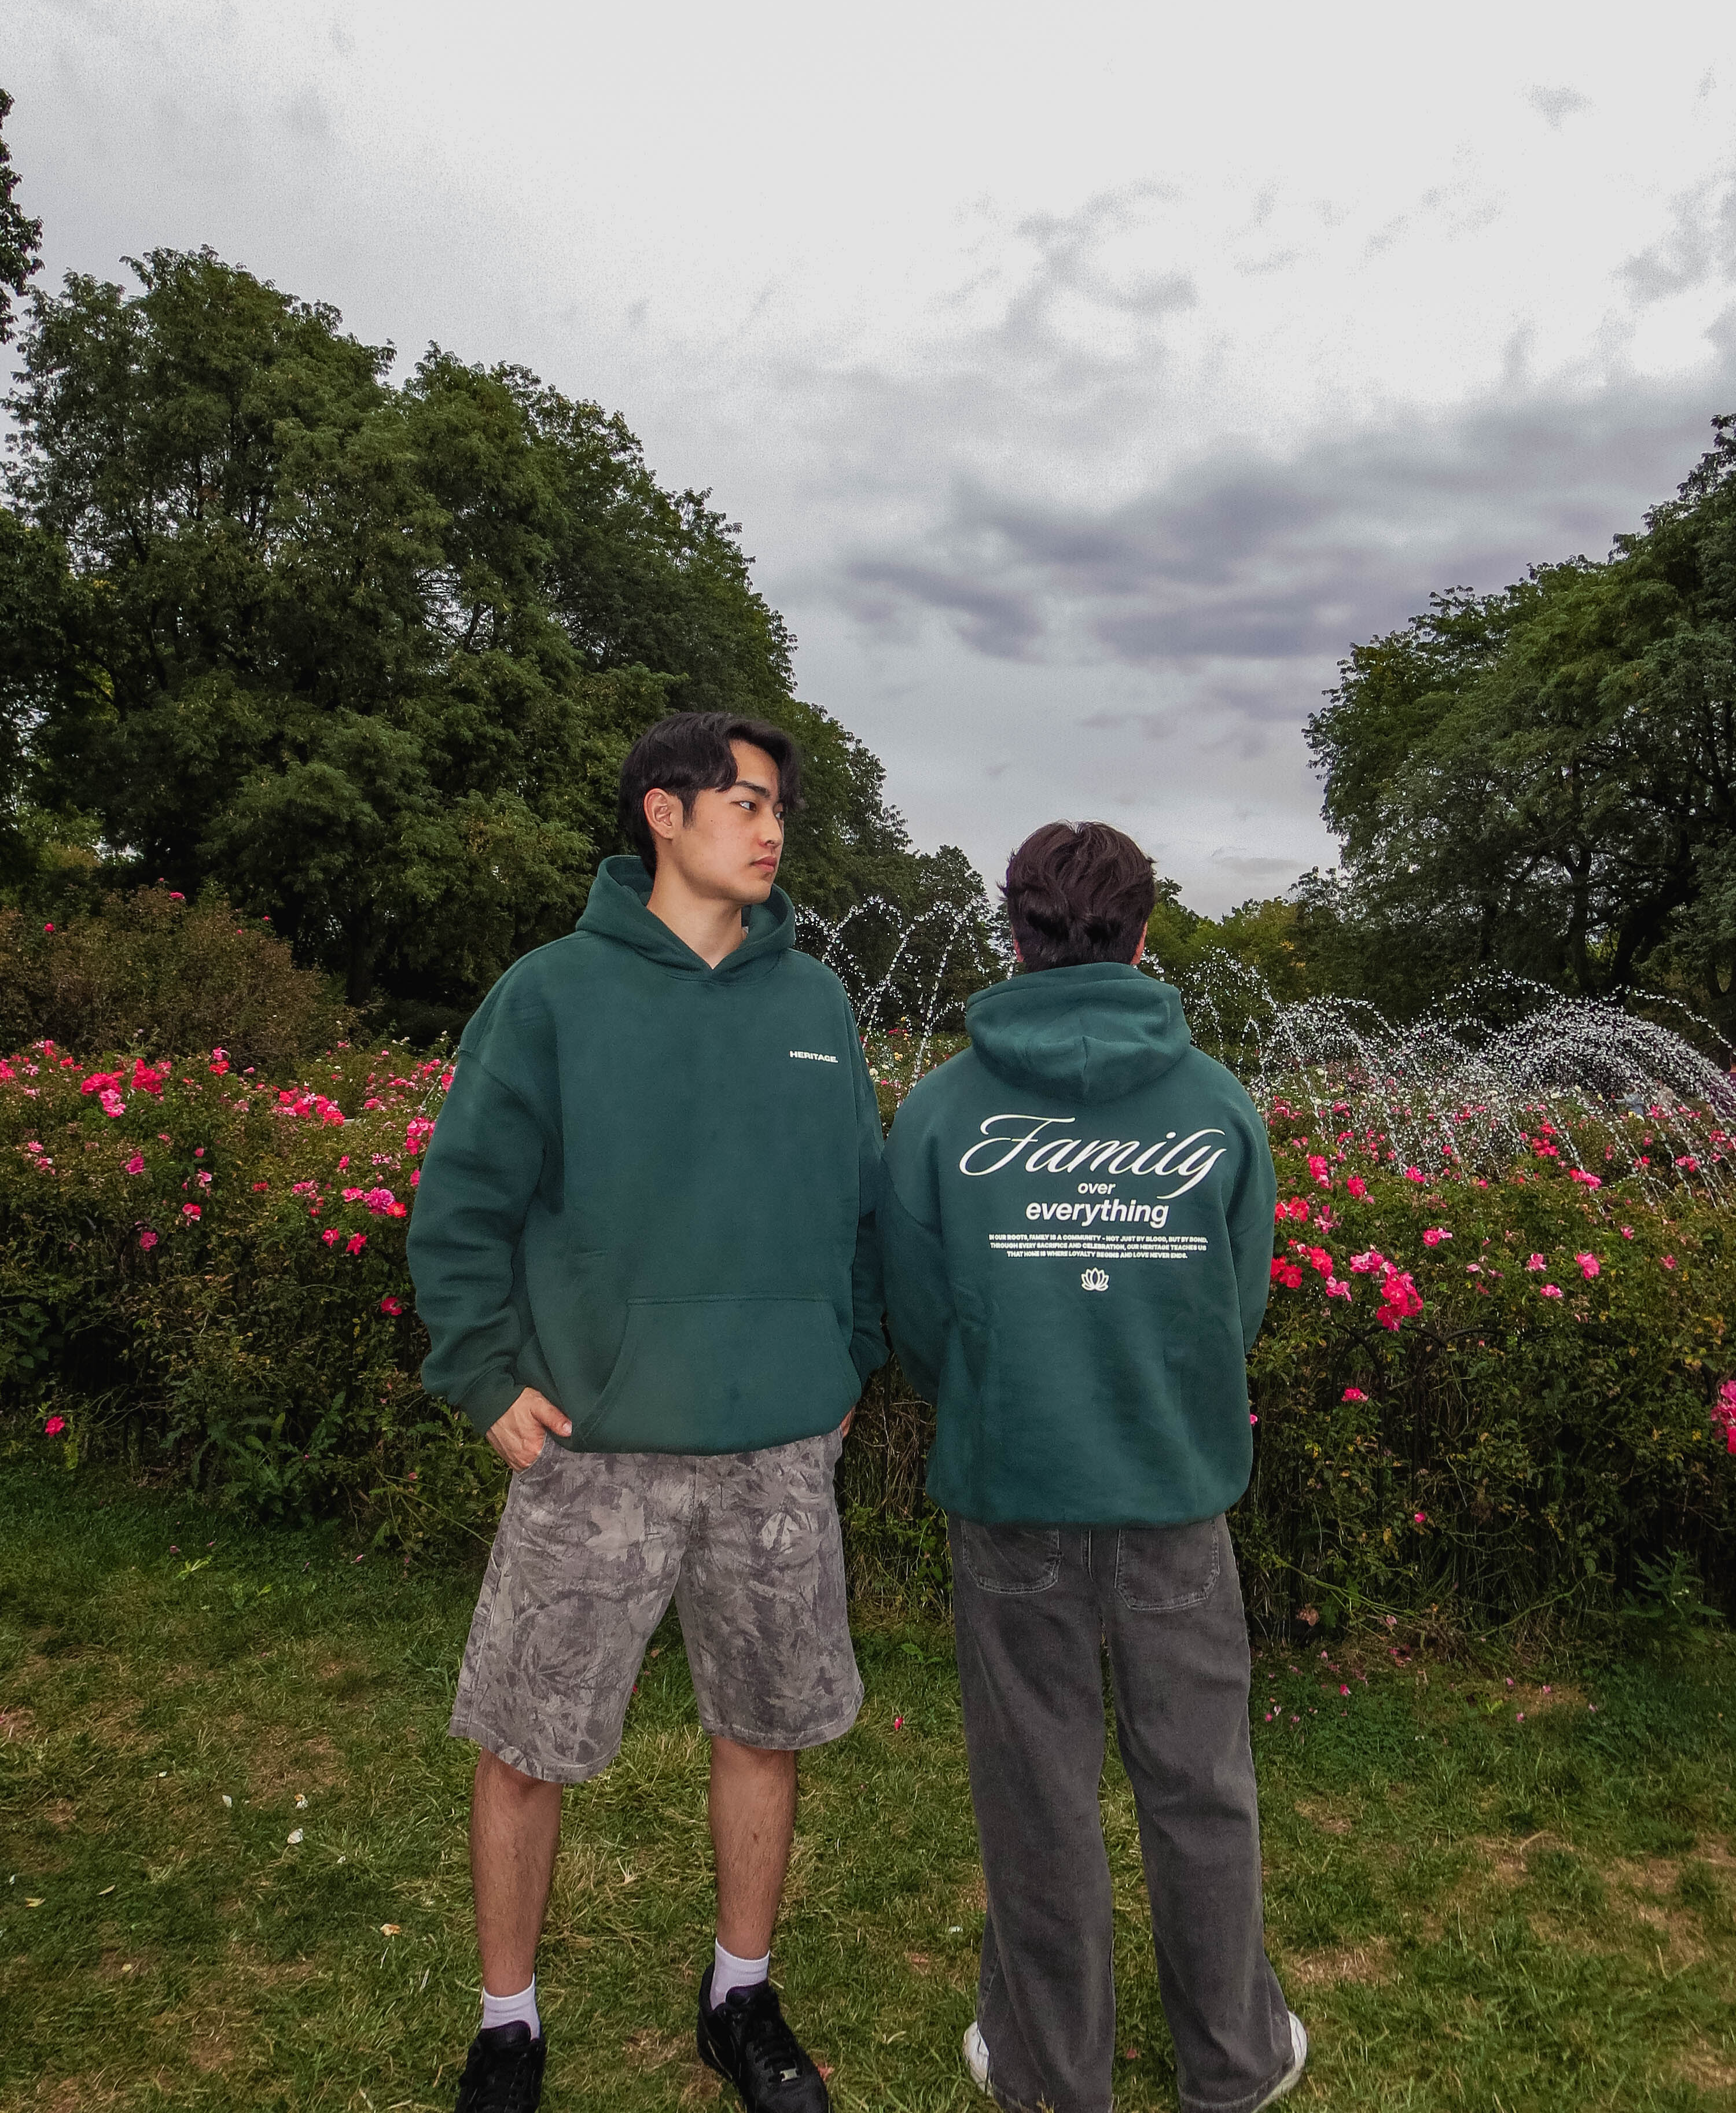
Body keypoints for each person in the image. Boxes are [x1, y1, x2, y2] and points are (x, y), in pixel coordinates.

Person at [409, 712, 885, 2113]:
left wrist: (843, 1360)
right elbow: (462, 1204)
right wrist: (484, 1373)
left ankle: (742, 1995)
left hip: (779, 1454)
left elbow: (861, 1209)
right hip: (593, 1453)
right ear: (663, 813)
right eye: (745, 799)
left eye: (781, 804)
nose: (774, 825)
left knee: (765, 1726)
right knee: (525, 1740)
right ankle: (508, 2021)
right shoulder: (552, 994)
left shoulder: (817, 1006)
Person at [880, 820, 1305, 2113]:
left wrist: (1016, 1395)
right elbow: (1234, 1307)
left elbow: (917, 1317)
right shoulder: (1216, 1099)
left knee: (1038, 1798)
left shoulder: (947, 1104)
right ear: (1145, 930)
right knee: (1202, 1787)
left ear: (1013, 931)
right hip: (1177, 1496)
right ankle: (1231, 2061)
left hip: (1013, 1498)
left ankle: (1053, 2071)